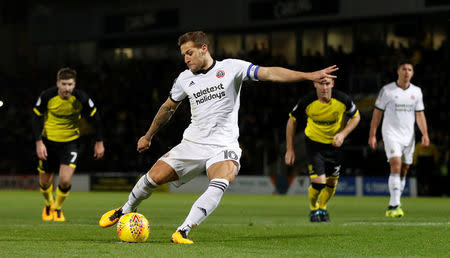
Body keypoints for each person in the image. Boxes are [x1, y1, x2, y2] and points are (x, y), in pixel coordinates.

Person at [99, 31, 338, 244]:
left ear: (204, 49)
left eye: (189, 53)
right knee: (152, 179)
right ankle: (126, 209)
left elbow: (269, 73)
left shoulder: (232, 68)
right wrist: (149, 135)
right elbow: (168, 108)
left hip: (223, 145)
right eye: (183, 55)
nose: (186, 58)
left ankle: (183, 231)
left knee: (223, 179)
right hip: (192, 143)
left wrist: (308, 75)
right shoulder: (184, 79)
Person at [32, 67, 105, 222]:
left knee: (65, 181)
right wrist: (39, 142)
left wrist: (99, 142)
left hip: (70, 143)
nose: (67, 88)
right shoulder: (47, 96)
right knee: (44, 182)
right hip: (48, 142)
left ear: (74, 84)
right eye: (64, 84)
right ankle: (48, 203)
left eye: (70, 84)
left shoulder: (81, 98)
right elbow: (36, 118)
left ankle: (57, 208)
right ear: (58, 83)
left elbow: (96, 118)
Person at [285, 77, 360, 222]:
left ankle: (323, 207)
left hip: (334, 145)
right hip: (314, 145)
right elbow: (291, 120)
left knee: (331, 183)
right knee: (319, 182)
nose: (324, 87)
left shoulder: (343, 99)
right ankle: (313, 209)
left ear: (332, 84)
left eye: (327, 84)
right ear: (315, 84)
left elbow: (356, 117)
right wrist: (290, 149)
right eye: (321, 84)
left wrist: (343, 134)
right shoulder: (307, 101)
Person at [368, 60, 429, 218]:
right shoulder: (387, 90)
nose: (407, 72)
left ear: (413, 73)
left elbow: (420, 114)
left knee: (404, 170)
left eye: (409, 69)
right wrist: (372, 134)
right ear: (398, 72)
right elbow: (377, 112)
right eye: (404, 69)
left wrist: (425, 134)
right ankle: (394, 204)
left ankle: (396, 201)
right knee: (396, 164)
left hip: (408, 136)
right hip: (391, 133)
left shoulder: (417, 92)